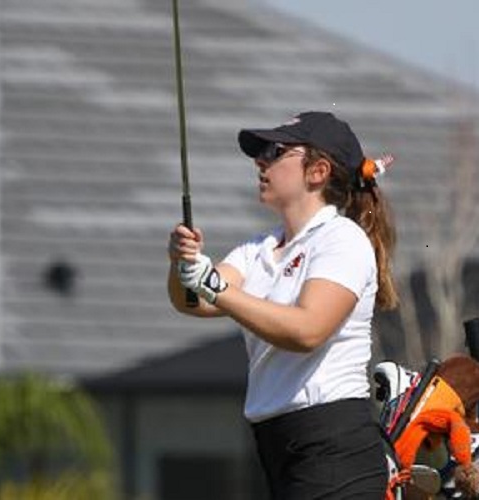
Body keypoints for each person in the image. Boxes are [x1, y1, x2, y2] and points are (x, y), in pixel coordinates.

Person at [167, 111, 398, 499]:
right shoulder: (258, 249)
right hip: (277, 448)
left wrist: (211, 284)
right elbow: (193, 302)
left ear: (318, 171)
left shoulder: (342, 239)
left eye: (275, 151)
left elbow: (308, 330)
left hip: (333, 447)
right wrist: (182, 264)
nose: (261, 161)